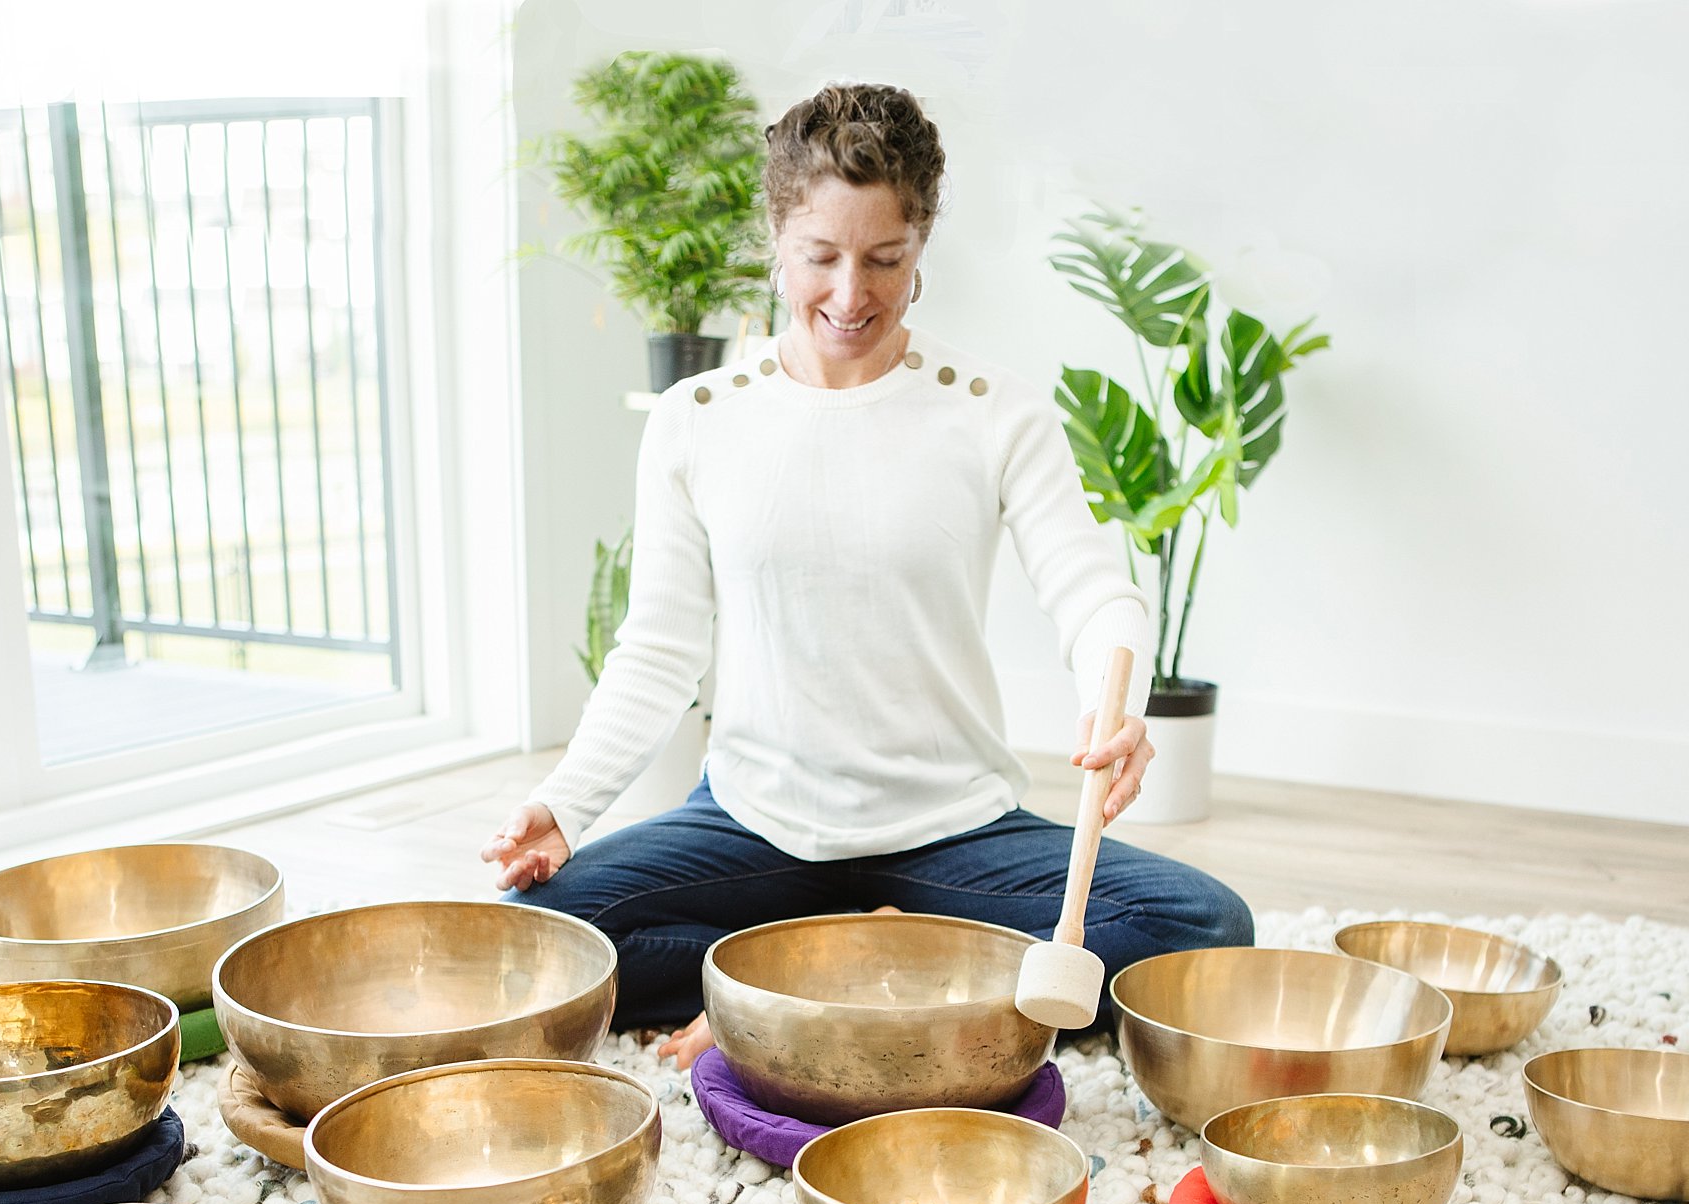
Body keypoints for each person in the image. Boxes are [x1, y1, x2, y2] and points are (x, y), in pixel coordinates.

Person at [485, 82, 1252, 1068]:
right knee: (529, 947)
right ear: (777, 238)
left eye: (883, 260)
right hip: (752, 819)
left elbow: (1093, 590)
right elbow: (661, 644)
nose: (850, 295)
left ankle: (815, 973)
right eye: (821, 258)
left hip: (951, 828)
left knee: (1199, 924)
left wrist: (1120, 700)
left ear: (920, 244)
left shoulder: (991, 413)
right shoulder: (697, 415)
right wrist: (566, 803)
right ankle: (858, 968)